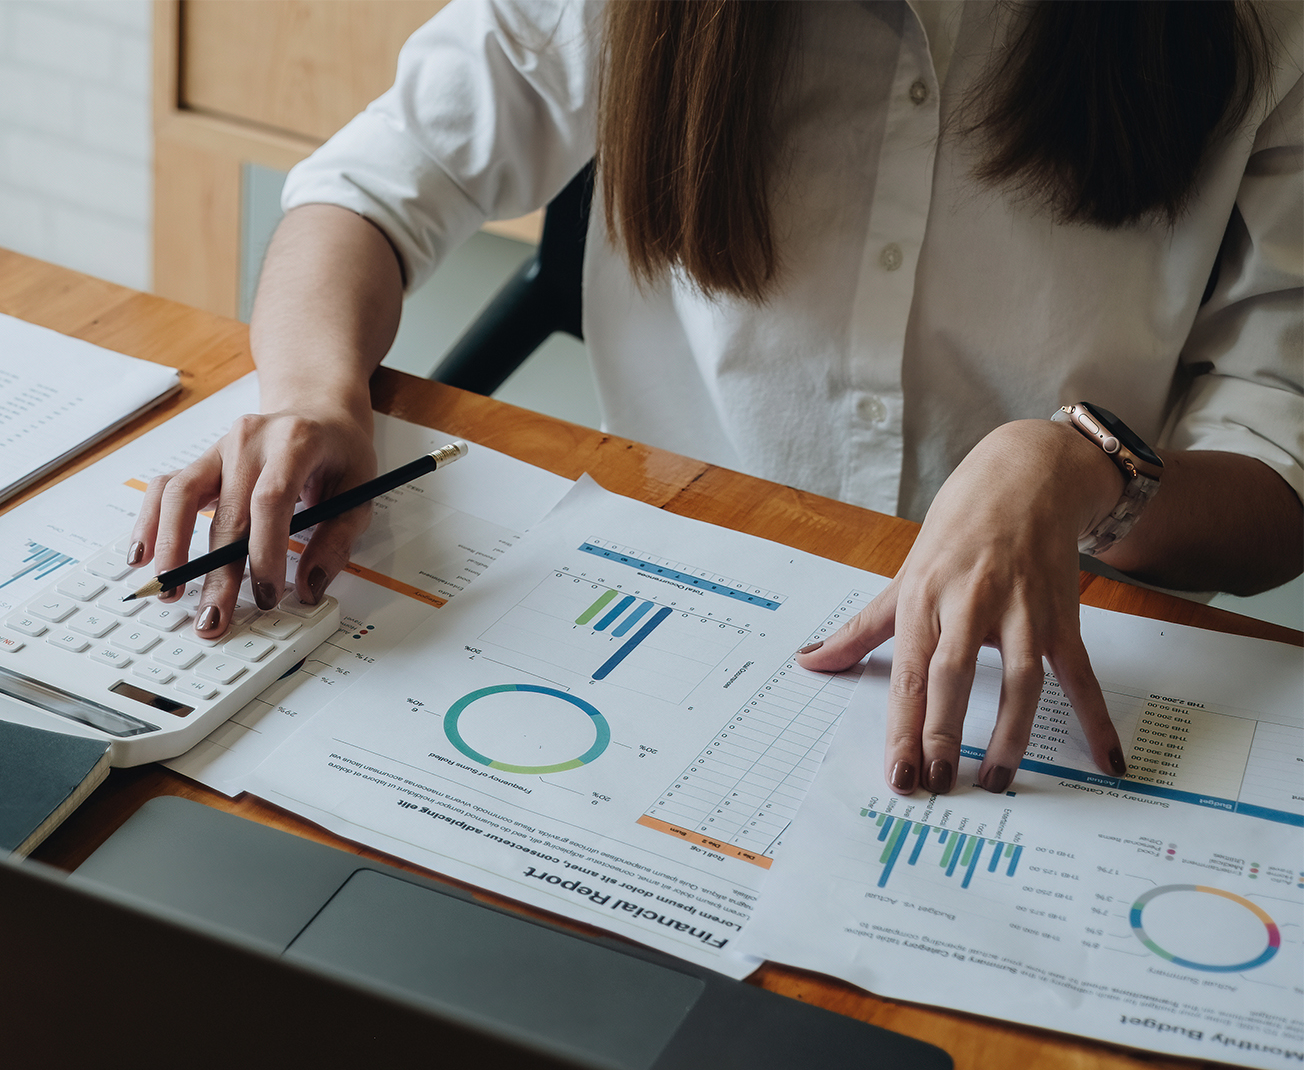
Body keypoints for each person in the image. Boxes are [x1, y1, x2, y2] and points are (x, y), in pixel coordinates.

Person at [130, 0, 1302, 797]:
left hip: (1045, 673)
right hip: (668, 619)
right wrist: (311, 390)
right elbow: (374, 189)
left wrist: (1085, 471)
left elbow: (1279, 461)